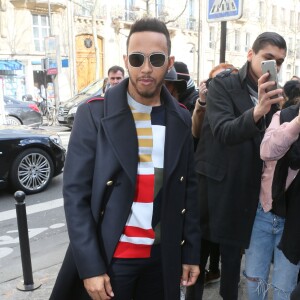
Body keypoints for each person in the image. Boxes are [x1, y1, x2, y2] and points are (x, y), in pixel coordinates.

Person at [50, 17, 200, 300]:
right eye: (136, 58)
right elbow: (75, 195)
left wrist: (190, 251)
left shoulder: (180, 116)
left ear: (169, 63)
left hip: (161, 258)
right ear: (125, 60)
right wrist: (90, 267)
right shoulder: (94, 114)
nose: (146, 68)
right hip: (112, 258)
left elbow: (188, 190)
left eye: (156, 59)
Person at [194, 32, 287, 299]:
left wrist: (280, 114)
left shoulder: (272, 96)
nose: (274, 66)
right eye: (268, 58)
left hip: (243, 189)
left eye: (279, 62)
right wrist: (258, 111)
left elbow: (270, 147)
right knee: (196, 261)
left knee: (232, 263)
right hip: (212, 188)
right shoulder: (223, 84)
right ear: (250, 55)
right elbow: (223, 131)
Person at [187, 63, 238, 300]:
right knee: (197, 254)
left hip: (232, 193)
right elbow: (195, 134)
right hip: (205, 191)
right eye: (217, 80)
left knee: (230, 259)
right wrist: (202, 102)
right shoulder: (206, 106)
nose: (223, 84)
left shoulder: (243, 107)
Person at [246, 101, 300, 299]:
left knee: (284, 288)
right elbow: (267, 151)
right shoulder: (284, 116)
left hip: (295, 224)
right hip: (264, 211)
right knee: (254, 280)